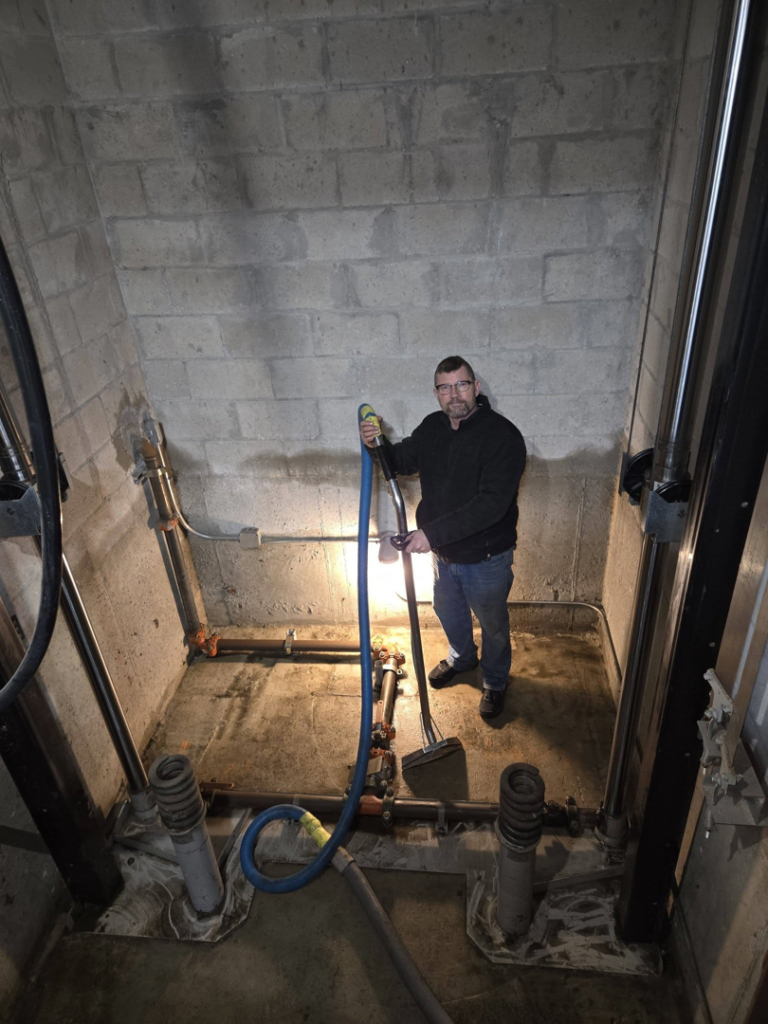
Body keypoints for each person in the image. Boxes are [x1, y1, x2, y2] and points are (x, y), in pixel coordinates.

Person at [360, 356, 527, 719]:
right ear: (436, 394)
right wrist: (377, 445)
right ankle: (462, 658)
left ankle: (495, 681)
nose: (455, 394)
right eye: (446, 387)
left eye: (462, 385)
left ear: (476, 388)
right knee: (448, 612)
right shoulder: (433, 427)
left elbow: (491, 506)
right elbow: (402, 459)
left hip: (485, 557)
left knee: (493, 623)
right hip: (443, 554)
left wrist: (429, 534)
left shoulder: (503, 437)